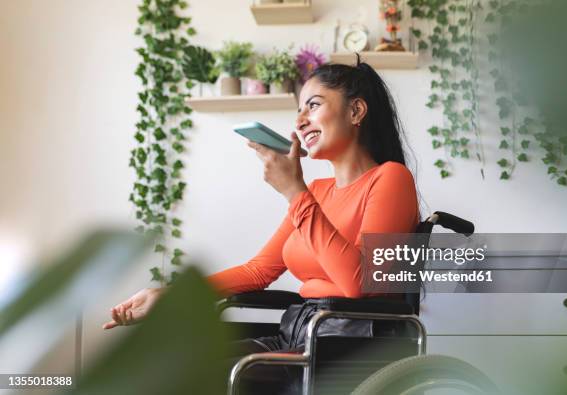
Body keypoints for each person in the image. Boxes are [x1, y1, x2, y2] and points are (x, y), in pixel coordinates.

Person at [103, 58, 420, 393]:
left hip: (346, 345)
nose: (299, 121)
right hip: (296, 333)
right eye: (299, 110)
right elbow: (259, 271)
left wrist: (294, 192)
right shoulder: (317, 192)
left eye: (313, 105)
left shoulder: (390, 179)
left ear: (356, 111)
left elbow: (358, 284)